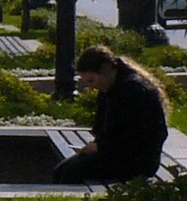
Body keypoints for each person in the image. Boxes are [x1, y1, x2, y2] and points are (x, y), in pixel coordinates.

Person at [52, 45, 171, 183]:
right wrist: (98, 145)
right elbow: (105, 129)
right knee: (60, 171)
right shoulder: (109, 89)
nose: (90, 87)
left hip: (137, 160)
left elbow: (136, 134)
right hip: (116, 153)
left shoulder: (132, 89)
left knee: (71, 173)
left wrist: (100, 146)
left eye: (91, 81)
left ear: (106, 69)